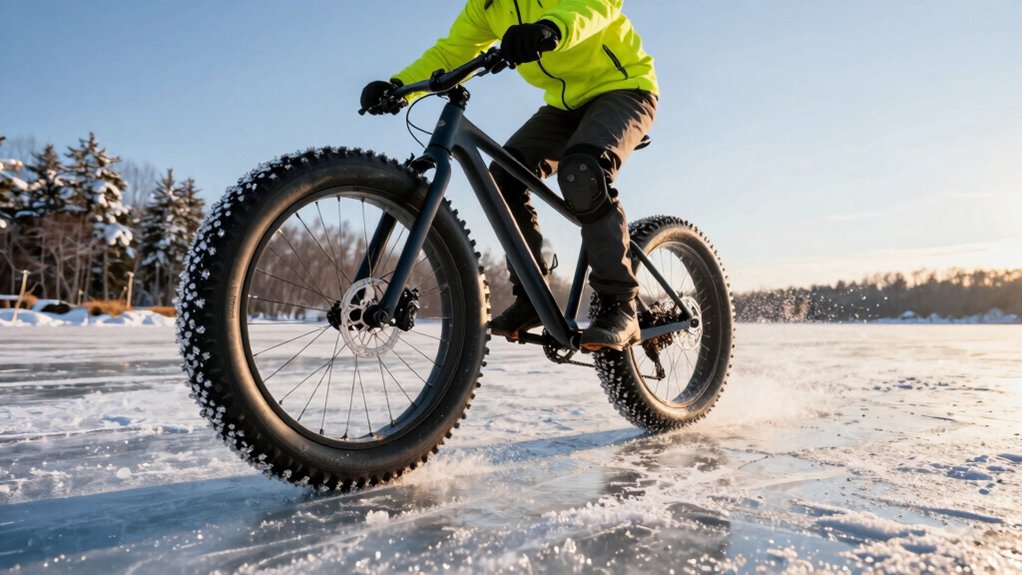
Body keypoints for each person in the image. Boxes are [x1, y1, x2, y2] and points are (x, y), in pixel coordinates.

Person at [361, 0, 657, 351]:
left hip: (624, 89)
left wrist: (552, 27)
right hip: (564, 107)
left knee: (583, 171)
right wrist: (399, 86)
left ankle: (619, 302)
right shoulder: (487, 7)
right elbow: (452, 50)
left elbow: (596, 5)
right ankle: (532, 295)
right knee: (504, 178)